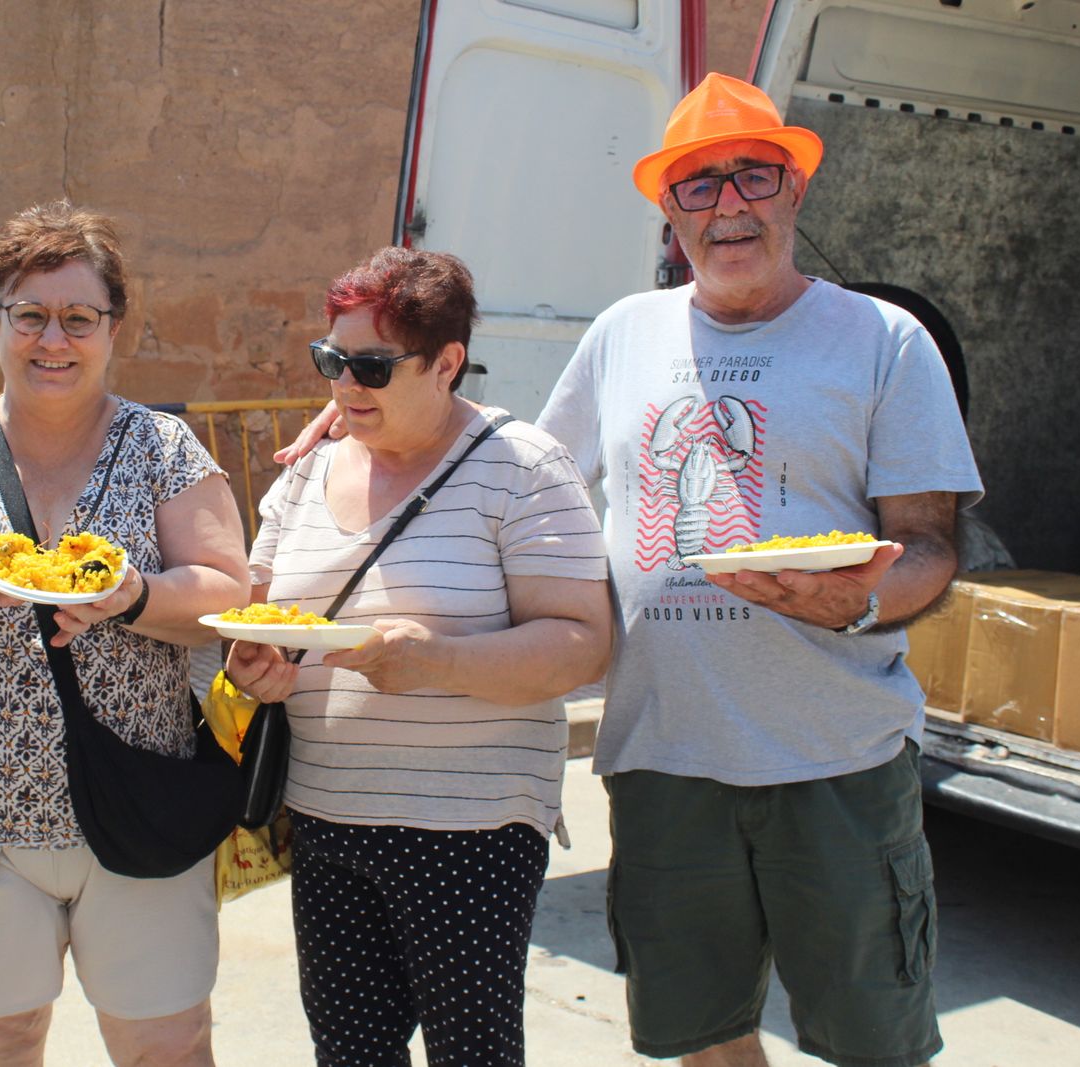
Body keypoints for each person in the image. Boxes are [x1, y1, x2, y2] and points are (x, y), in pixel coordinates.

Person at [534, 74, 981, 1067]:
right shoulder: (620, 334)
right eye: (699, 184)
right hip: (663, 755)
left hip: (836, 757)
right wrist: (370, 422)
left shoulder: (883, 340)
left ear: (795, 190)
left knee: (874, 1040)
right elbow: (531, 483)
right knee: (705, 1035)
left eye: (754, 175)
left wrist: (857, 601)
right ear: (669, 210)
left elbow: (929, 542)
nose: (728, 203)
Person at [0, 201, 250, 1067]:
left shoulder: (163, 448)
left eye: (78, 318)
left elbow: (225, 589)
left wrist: (135, 597)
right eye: (29, 315)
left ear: (113, 327)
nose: (52, 340)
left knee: (167, 1046)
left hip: (137, 810)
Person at [225, 247, 612, 1067]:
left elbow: (583, 643)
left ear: (447, 363)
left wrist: (439, 661)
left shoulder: (523, 467)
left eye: (370, 366)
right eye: (331, 360)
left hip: (469, 831)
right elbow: (254, 613)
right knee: (351, 1054)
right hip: (326, 819)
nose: (345, 385)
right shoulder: (309, 468)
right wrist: (253, 665)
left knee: (472, 1054)